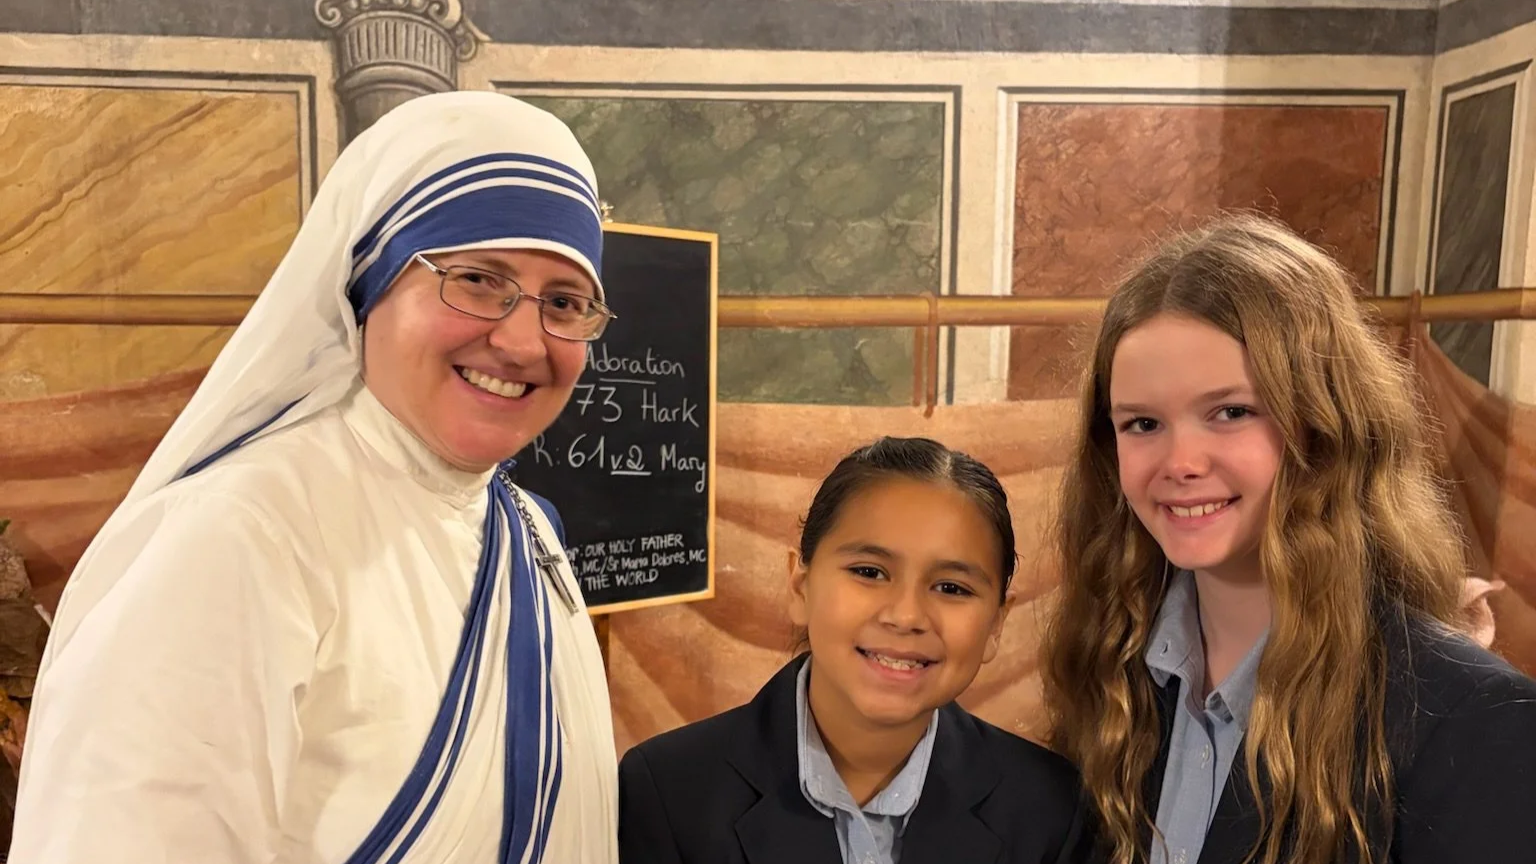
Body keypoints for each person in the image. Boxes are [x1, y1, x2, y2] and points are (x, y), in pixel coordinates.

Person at [10, 91, 620, 863]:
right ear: (368, 284)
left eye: (564, 302)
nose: (525, 341)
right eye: (475, 279)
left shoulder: (528, 528)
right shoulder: (239, 534)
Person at [1041, 213, 1536, 864]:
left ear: (1326, 428)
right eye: (1142, 424)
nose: (1180, 462)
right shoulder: (1108, 672)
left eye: (1231, 412)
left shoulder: (1476, 718)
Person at [617, 437, 1094, 864]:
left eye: (951, 587)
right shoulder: (669, 794)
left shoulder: (1052, 811)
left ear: (996, 623)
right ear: (800, 586)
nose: (905, 616)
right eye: (869, 572)